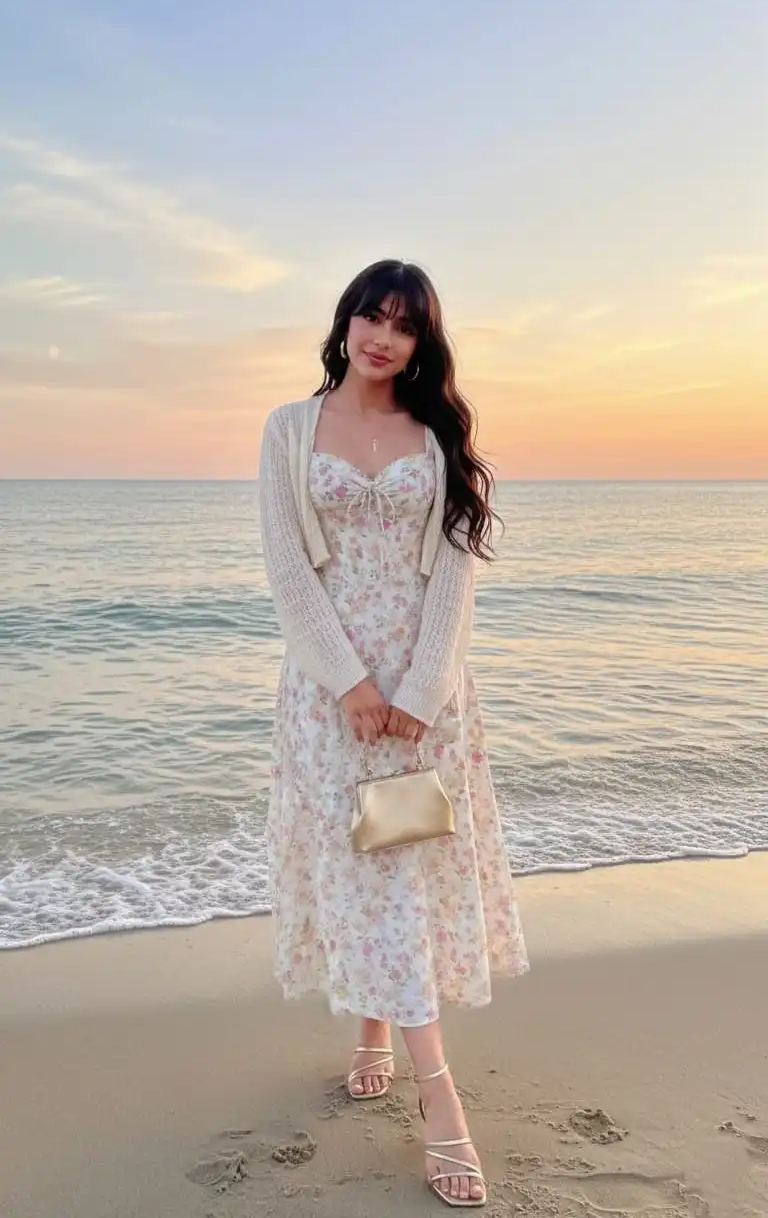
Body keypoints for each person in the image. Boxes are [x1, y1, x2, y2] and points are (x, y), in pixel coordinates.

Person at [258, 259, 529, 1208]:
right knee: (365, 867)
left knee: (403, 860)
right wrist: (351, 685)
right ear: (346, 323)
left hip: (425, 695)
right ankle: (421, 1079)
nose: (384, 336)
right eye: (372, 316)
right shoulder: (291, 429)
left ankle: (427, 1086)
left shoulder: (435, 433)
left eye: (404, 325)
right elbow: (288, 571)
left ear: (422, 343)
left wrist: (419, 687)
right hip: (331, 694)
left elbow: (454, 573)